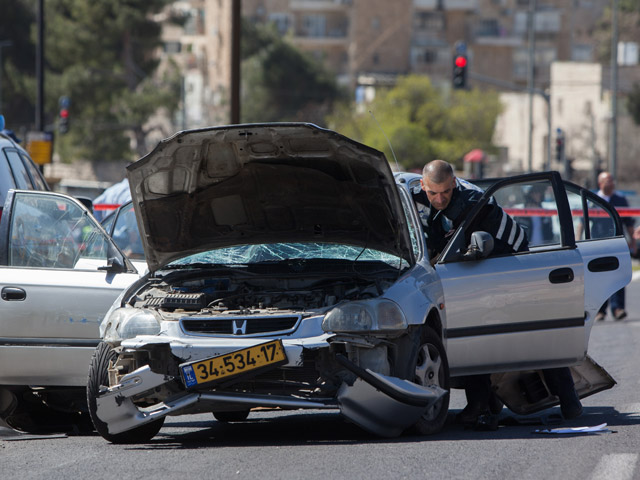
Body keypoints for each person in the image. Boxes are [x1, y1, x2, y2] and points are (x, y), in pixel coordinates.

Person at [413, 160, 582, 424]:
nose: (439, 198)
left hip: (513, 266)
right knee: (475, 339)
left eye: (445, 191)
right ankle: (484, 404)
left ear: (454, 184)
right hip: (481, 271)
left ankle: (569, 400)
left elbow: (468, 246)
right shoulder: (420, 202)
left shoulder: (471, 205)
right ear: (423, 185)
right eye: (432, 192)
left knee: (538, 339)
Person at [592, 172, 635, 321]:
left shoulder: (620, 199)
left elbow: (629, 222)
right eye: (607, 181)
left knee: (618, 276)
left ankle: (618, 308)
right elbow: (582, 222)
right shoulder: (592, 199)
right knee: (599, 278)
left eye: (612, 181)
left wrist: (633, 241)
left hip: (617, 243)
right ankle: (599, 310)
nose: (611, 184)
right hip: (598, 243)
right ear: (600, 183)